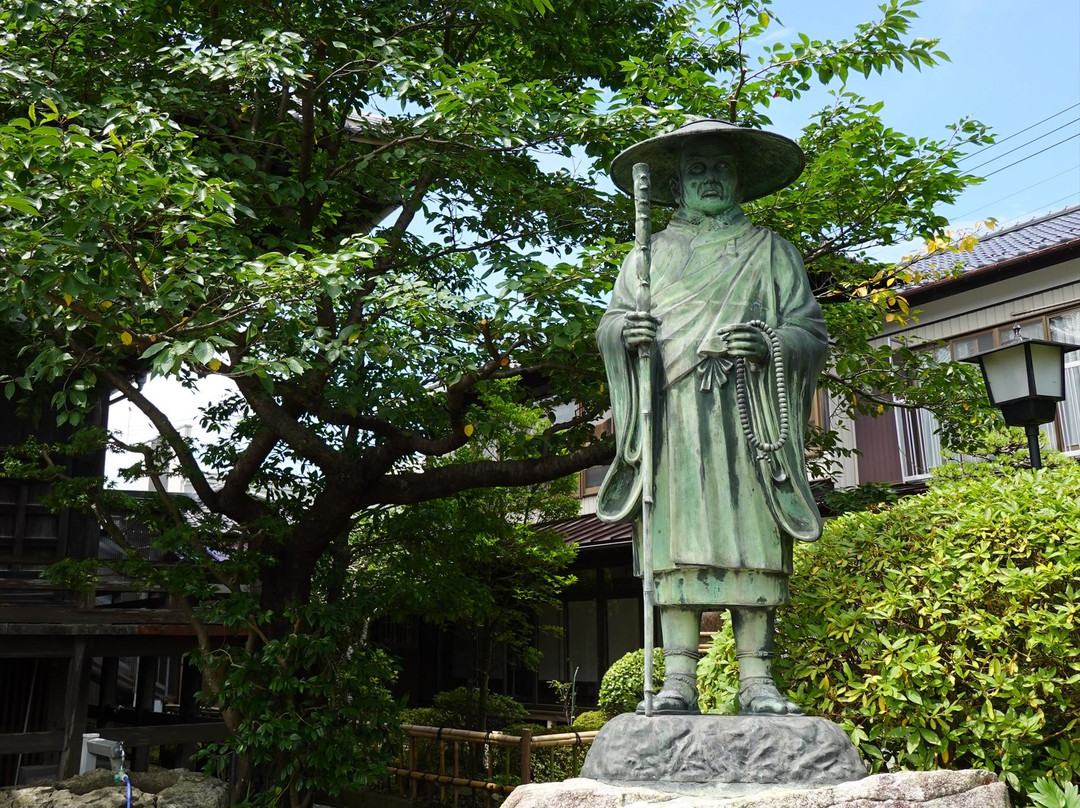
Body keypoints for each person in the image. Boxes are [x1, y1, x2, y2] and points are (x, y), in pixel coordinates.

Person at [596, 119, 828, 716]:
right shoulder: (646, 257)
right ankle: (677, 680)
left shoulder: (771, 251)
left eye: (720, 168)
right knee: (677, 543)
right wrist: (628, 333)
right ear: (675, 184)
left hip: (749, 415)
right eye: (695, 170)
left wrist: (772, 344)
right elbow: (612, 326)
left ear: (740, 179)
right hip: (673, 418)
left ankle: (757, 680)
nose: (709, 179)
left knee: (753, 538)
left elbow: (809, 332)